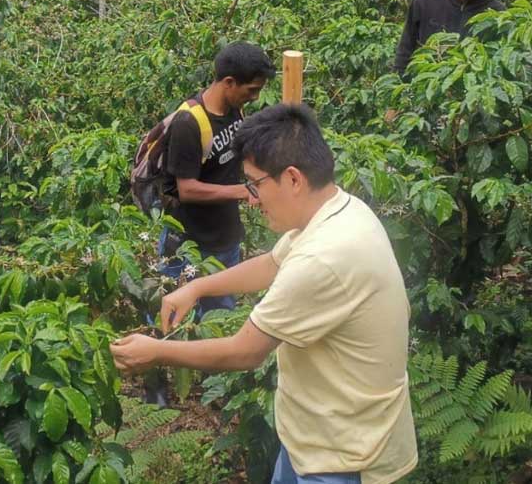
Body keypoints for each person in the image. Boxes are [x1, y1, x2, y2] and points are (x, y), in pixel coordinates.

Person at [113, 104, 418, 484]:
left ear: (292, 179)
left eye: (255, 184)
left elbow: (246, 351)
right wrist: (197, 286)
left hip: (342, 456)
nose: (251, 199)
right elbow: (274, 263)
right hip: (312, 434)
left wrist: (156, 352)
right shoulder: (339, 209)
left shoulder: (325, 257)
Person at [158, 42, 274, 311]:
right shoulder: (189, 123)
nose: (255, 97)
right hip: (188, 244)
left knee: (221, 318)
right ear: (229, 83)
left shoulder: (235, 110)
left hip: (225, 238)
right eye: (252, 90)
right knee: (178, 318)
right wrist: (243, 191)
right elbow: (186, 189)